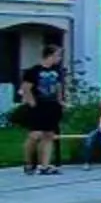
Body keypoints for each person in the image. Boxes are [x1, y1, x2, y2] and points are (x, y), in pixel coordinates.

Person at [15, 39, 67, 175]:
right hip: (38, 106)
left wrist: (60, 101)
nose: (59, 58)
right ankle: (28, 163)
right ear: (50, 55)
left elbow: (58, 86)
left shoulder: (57, 71)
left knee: (49, 135)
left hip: (52, 106)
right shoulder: (34, 71)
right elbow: (25, 88)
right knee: (35, 135)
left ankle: (44, 166)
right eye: (58, 55)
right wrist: (32, 103)